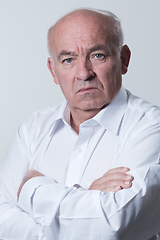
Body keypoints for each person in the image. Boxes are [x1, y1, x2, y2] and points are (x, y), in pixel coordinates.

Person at [0, 8, 160, 240]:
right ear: (53, 71)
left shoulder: (151, 127)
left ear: (123, 60)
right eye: (68, 60)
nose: (84, 73)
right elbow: (2, 220)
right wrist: (89, 197)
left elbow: (113, 228)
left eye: (97, 55)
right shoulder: (32, 129)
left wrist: (33, 189)